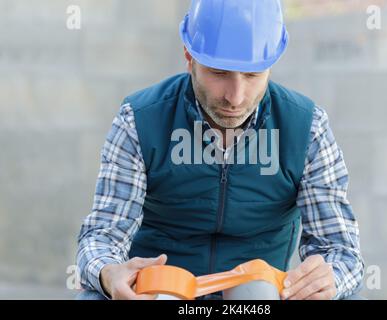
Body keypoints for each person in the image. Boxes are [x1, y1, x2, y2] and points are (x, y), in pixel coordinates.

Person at [76, 0, 364, 300]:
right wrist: (108, 274)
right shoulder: (139, 119)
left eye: (252, 75)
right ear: (189, 56)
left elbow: (341, 252)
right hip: (158, 291)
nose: (235, 98)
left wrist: (328, 279)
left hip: (260, 296)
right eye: (219, 73)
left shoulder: (307, 127)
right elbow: (103, 235)